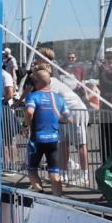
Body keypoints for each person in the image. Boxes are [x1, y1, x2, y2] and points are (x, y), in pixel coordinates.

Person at [23, 66, 71, 197]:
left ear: (36, 82)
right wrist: (56, 120)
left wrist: (25, 125)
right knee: (54, 172)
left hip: (37, 139)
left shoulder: (33, 96)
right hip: (54, 139)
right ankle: (58, 199)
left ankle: (41, 194)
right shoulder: (58, 98)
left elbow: (29, 112)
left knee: (32, 169)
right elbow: (69, 119)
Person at [96, 46, 112, 161]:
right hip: (105, 113)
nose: (111, 60)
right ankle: (106, 171)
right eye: (108, 57)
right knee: (106, 145)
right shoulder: (102, 74)